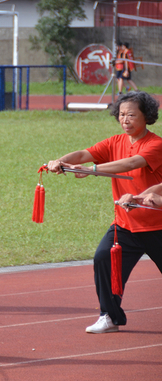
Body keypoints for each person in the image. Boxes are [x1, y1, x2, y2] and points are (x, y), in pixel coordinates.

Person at [47, 91, 162, 334]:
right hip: (125, 225)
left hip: (157, 226)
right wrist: (60, 161)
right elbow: (83, 154)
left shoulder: (156, 144)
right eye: (121, 115)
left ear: (147, 117)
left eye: (131, 115)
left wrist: (92, 169)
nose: (125, 120)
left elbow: (131, 163)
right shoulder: (114, 142)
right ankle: (110, 316)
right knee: (103, 258)